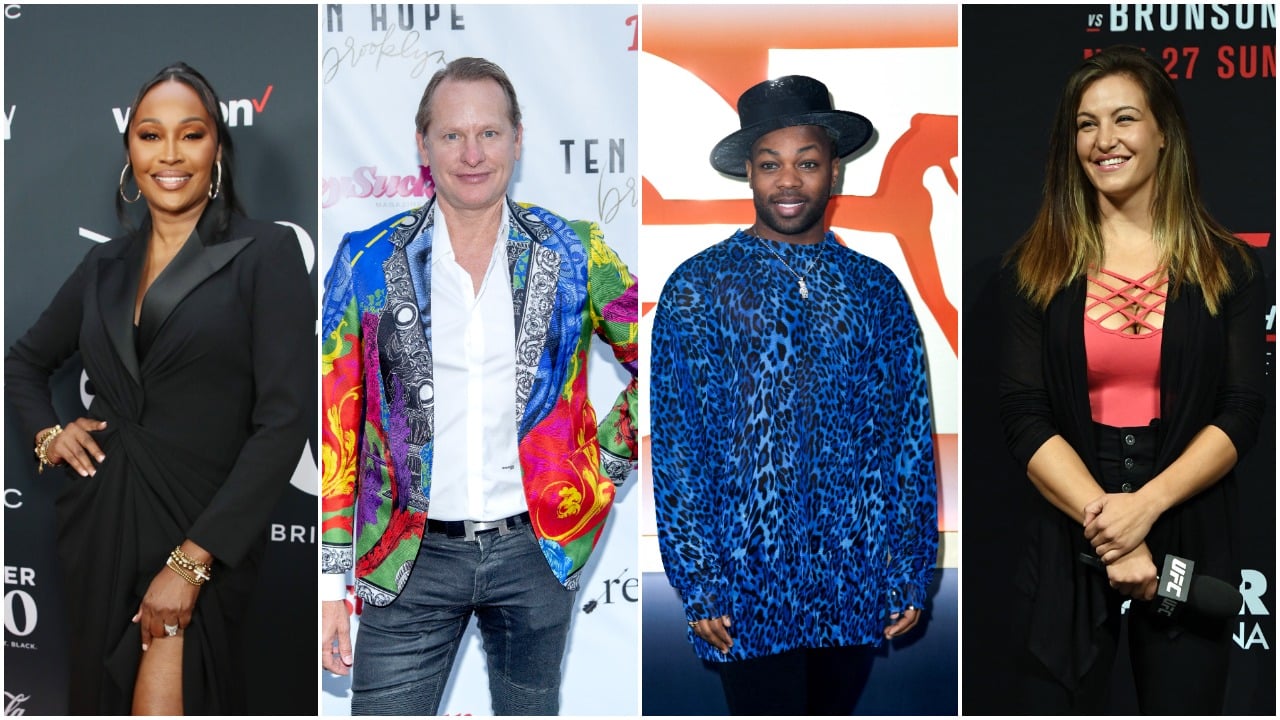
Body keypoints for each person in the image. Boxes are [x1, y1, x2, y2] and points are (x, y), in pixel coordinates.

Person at [318, 56, 638, 715]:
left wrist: (601, 461)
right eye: (452, 135)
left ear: (518, 140)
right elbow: (335, 427)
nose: (472, 154)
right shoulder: (365, 259)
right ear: (423, 144)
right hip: (405, 559)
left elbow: (668, 363)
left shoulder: (576, 251)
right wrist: (329, 586)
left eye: (489, 133)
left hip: (536, 554)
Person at [4, 62, 312, 715]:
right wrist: (48, 435)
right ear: (130, 153)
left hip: (203, 530)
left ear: (217, 150)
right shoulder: (104, 265)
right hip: (102, 524)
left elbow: (284, 421)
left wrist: (194, 561)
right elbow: (23, 362)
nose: (169, 154)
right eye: (150, 135)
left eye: (190, 134)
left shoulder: (265, 254)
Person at [649, 75, 939, 716]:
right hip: (745, 582)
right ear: (749, 174)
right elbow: (676, 446)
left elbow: (908, 437)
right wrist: (700, 580)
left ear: (835, 171)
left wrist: (910, 564)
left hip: (854, 577)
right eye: (770, 164)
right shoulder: (698, 287)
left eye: (806, 163)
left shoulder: (875, 289)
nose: (788, 181)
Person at [997, 46, 1266, 713]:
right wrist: (1112, 532)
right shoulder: (1033, 268)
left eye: (1124, 119)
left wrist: (1144, 508)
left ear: (1163, 132)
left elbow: (1240, 411)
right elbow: (1025, 417)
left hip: (1188, 517)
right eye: (1086, 124)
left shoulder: (1228, 266)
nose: (1104, 140)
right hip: (1070, 522)